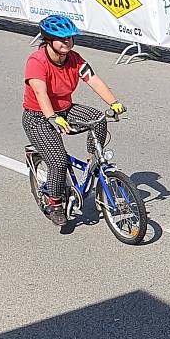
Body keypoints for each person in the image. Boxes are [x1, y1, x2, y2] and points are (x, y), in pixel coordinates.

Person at [22, 15, 126, 227]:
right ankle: (55, 203)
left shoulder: (75, 59)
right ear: (49, 40)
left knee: (98, 119)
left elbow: (94, 81)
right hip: (38, 117)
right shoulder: (36, 62)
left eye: (70, 38)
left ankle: (92, 160)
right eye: (62, 39)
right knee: (58, 161)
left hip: (65, 109)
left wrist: (114, 102)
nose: (67, 43)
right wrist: (52, 118)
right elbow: (41, 94)